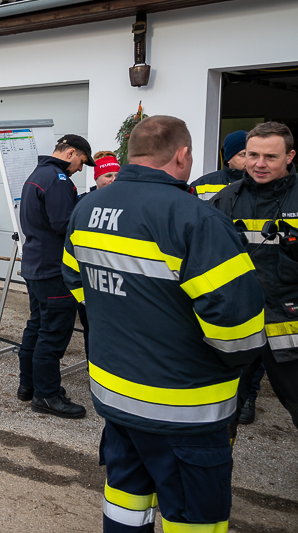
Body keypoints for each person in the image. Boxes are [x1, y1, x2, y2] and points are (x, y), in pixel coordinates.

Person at [63, 115, 265, 533]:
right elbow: (239, 330)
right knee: (194, 516)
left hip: (116, 393)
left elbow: (75, 281)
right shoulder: (197, 220)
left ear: (131, 152)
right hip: (184, 406)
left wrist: (122, 313)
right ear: (182, 155)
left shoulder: (87, 208)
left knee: (125, 498)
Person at [210, 121, 298, 433]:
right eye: (252, 155)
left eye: (271, 157)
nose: (259, 164)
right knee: (222, 412)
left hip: (288, 327)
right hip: (237, 323)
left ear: (289, 156)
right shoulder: (225, 199)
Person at [17, 134, 94, 419]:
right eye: (81, 162)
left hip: (36, 266)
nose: (80, 169)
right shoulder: (58, 179)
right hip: (53, 269)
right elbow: (64, 224)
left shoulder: (38, 174)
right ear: (70, 153)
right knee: (53, 333)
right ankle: (47, 395)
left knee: (37, 325)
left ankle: (28, 385)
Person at [190, 129, 247, 200]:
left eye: (253, 155)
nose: (249, 159)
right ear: (229, 158)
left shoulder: (259, 182)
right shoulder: (201, 185)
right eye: (243, 154)